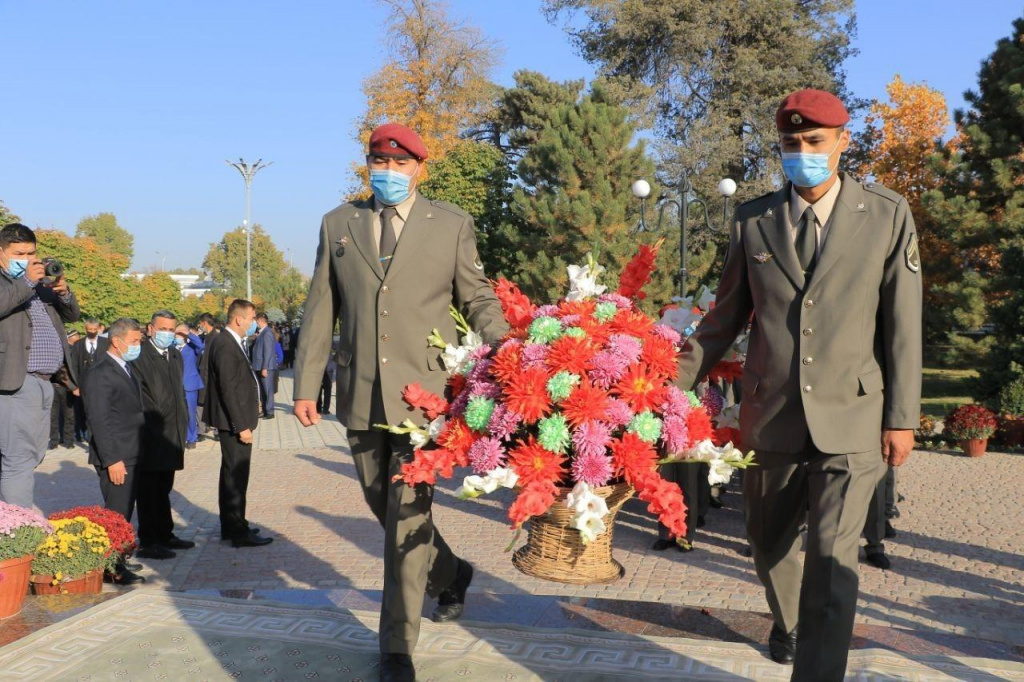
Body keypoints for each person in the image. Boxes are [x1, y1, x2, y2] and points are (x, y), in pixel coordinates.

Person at [675, 90, 922, 681]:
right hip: (772, 414)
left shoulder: (886, 214)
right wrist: (660, 385)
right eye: (791, 143)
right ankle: (789, 622)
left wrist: (902, 416)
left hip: (853, 415)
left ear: (843, 141)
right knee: (768, 542)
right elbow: (722, 320)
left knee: (832, 559)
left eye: (815, 141)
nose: (803, 152)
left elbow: (903, 322)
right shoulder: (753, 219)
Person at [293, 122, 508, 682]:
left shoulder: (451, 225)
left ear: (420, 169)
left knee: (407, 517)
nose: (387, 172)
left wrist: (507, 346)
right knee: (381, 505)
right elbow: (321, 306)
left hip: (424, 400)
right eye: (378, 162)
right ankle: (452, 573)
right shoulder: (339, 223)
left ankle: (396, 646)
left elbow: (478, 297)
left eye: (399, 164)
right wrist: (305, 384)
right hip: (361, 392)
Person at [0, 223, 81, 509]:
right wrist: (27, 283)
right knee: (18, 459)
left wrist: (63, 292)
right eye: (19, 254)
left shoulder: (39, 284)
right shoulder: (15, 283)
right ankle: (18, 526)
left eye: (31, 253)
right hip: (15, 381)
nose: (27, 259)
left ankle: (9, 514)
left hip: (46, 381)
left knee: (31, 456)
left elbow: (72, 316)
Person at [203, 299, 272, 548]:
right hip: (234, 422)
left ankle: (233, 525)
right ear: (239, 319)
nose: (254, 323)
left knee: (232, 474)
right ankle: (238, 532)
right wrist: (241, 425)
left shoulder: (231, 341)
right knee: (236, 476)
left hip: (236, 419)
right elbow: (228, 389)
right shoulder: (225, 344)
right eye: (252, 318)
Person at [83, 317, 146, 585]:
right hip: (116, 455)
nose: (138, 346)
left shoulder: (124, 367)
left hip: (131, 450)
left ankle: (120, 558)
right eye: (134, 341)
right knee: (116, 514)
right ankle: (112, 569)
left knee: (125, 513)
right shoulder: (100, 373)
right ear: (117, 341)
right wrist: (112, 460)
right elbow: (99, 420)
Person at [132, 310, 195, 560]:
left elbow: (178, 392)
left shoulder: (174, 355)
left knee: (164, 487)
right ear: (150, 329)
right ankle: (149, 540)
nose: (168, 334)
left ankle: (165, 534)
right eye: (163, 329)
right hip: (150, 433)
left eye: (171, 330)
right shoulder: (140, 356)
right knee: (148, 489)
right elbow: (142, 397)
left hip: (172, 432)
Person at [70, 318, 109, 443]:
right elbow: (74, 365)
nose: (92, 332)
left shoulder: (106, 343)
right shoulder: (78, 344)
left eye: (94, 329)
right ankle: (91, 437)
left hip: (103, 384)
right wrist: (75, 386)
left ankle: (102, 437)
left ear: (98, 329)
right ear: (85, 329)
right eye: (89, 329)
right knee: (88, 411)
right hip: (85, 385)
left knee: (103, 411)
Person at [175, 321, 205, 449]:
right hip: (175, 385)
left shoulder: (192, 348)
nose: (176, 336)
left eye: (178, 334)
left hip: (189, 385)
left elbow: (200, 345)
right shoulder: (172, 348)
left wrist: (188, 334)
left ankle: (192, 438)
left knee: (190, 413)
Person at [251, 312, 278, 419]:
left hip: (265, 367)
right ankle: (265, 410)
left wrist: (265, 367)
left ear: (259, 321)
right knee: (262, 390)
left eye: (256, 321)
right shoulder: (262, 332)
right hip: (259, 366)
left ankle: (270, 411)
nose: (255, 324)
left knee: (268, 390)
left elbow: (268, 352)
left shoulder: (267, 333)